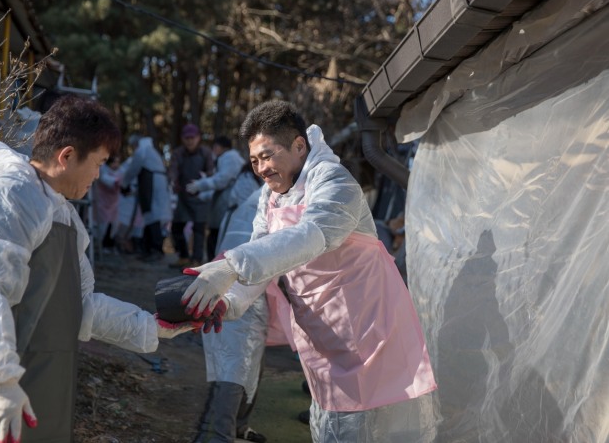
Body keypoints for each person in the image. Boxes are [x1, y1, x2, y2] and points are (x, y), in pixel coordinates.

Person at [0, 95, 201, 443]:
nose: (99, 174)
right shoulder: (4, 198)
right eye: (98, 163)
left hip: (42, 388)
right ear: (67, 156)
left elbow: (79, 306)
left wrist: (149, 328)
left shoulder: (63, 214)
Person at [183, 101, 438, 443]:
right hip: (320, 336)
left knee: (365, 430)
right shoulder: (270, 197)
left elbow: (310, 236)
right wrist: (229, 303)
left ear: (299, 146)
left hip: (368, 334)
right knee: (327, 427)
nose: (260, 168)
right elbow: (263, 263)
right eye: (254, 160)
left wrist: (230, 264)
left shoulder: (336, 183)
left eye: (267, 155)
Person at [192, 189, 269, 443]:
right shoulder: (268, 202)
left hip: (243, 285)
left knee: (246, 365)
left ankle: (236, 428)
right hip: (240, 286)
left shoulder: (251, 201)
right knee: (235, 368)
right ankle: (219, 435)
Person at [185, 135, 245, 261]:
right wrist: (201, 193)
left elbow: (222, 180)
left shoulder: (230, 157)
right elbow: (219, 186)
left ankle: (215, 265)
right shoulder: (226, 158)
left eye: (215, 147)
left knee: (217, 236)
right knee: (214, 236)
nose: (213, 150)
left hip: (228, 204)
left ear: (221, 147)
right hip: (224, 203)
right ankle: (214, 264)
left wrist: (199, 186)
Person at [168, 124, 214, 268]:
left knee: (199, 229)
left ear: (198, 138)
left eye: (192, 138)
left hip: (200, 196)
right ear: (182, 139)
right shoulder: (178, 153)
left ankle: (197, 259)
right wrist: (172, 181)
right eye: (186, 138)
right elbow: (173, 170)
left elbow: (212, 172)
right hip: (183, 195)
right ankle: (183, 256)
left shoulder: (205, 153)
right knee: (176, 228)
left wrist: (204, 181)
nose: (189, 141)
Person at [121, 135, 172, 261]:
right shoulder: (152, 151)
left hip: (151, 184)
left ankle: (155, 249)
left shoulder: (142, 151)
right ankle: (148, 249)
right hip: (155, 183)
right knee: (151, 217)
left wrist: (124, 184)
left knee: (152, 216)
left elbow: (133, 169)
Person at [93, 155, 122, 253]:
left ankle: (109, 244)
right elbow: (107, 181)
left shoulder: (119, 172)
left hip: (113, 203)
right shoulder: (102, 170)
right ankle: (101, 245)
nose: (116, 165)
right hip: (102, 202)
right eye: (114, 162)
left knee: (113, 224)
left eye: (118, 162)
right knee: (103, 224)